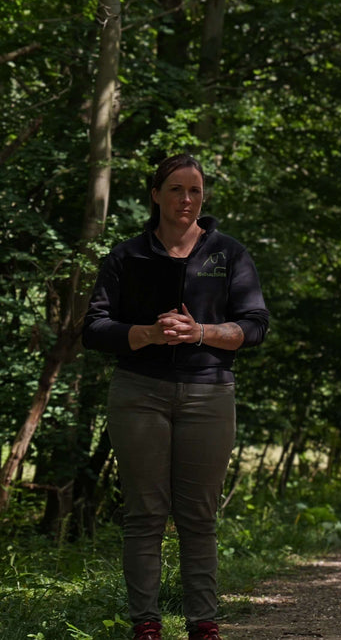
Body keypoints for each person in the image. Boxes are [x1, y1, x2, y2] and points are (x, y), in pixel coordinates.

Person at [82, 154, 269, 640]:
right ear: (155, 195)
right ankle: (145, 623)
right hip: (138, 393)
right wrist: (145, 334)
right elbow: (94, 329)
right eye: (176, 190)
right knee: (144, 513)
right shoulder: (127, 256)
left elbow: (255, 327)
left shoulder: (228, 254)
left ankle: (202, 623)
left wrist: (200, 331)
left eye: (195, 191)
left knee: (198, 516)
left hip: (209, 393)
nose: (186, 200)